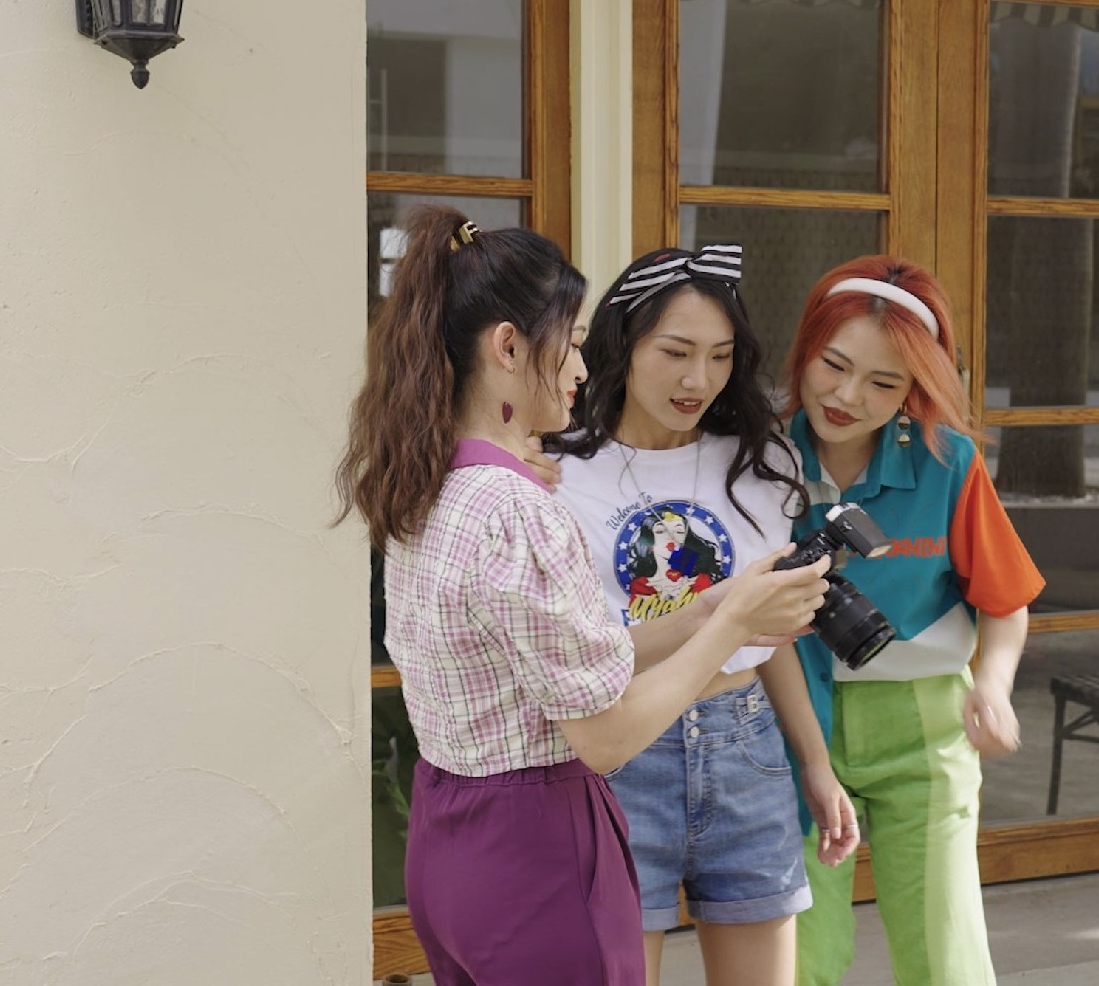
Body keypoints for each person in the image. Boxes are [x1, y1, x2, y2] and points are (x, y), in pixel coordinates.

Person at [334, 206, 832, 986]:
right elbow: (606, 737)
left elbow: (562, 660)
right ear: (508, 347)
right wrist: (732, 619)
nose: (578, 368)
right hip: (538, 850)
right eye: (568, 344)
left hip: (450, 839)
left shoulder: (431, 486)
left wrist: (707, 610)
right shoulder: (524, 508)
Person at [544, 245, 860, 986]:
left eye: (720, 356)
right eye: (676, 352)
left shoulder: (757, 464)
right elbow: (574, 653)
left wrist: (815, 765)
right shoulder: (555, 472)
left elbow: (769, 635)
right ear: (623, 343)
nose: (699, 380)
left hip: (747, 749)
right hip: (622, 750)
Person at [779, 256, 1045, 986]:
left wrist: (992, 686)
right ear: (805, 349)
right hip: (791, 725)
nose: (846, 396)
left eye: (883, 383)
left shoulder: (946, 463)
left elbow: (1005, 599)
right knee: (801, 958)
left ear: (911, 392)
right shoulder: (756, 457)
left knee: (945, 955)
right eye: (834, 365)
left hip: (925, 728)